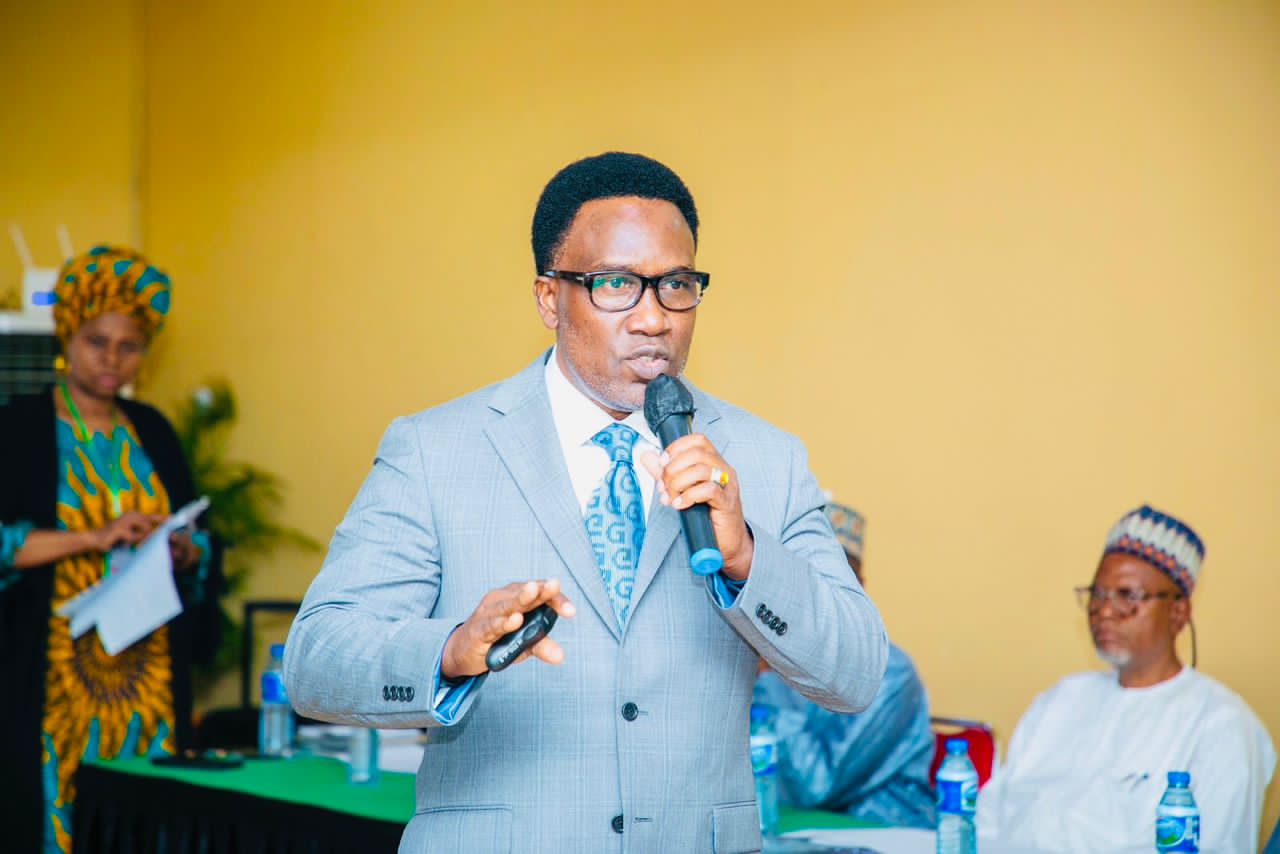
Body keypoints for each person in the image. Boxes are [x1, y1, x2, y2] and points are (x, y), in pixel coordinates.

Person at [284, 152, 888, 853]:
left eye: (677, 285)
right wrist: (449, 649)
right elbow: (316, 661)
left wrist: (748, 558)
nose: (655, 318)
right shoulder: (433, 449)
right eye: (615, 286)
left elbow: (858, 672)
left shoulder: (764, 459)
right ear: (549, 298)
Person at [0, 245, 223, 854]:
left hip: (146, 673)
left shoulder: (152, 429)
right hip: (50, 676)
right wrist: (92, 538)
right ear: (68, 335)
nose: (113, 359)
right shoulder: (17, 427)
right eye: (98, 342)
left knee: (143, 818)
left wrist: (184, 550)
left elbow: (202, 539)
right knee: (53, 813)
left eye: (130, 346)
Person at [977, 504, 1275, 852]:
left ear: (1178, 612)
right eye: (1098, 594)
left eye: (1128, 596)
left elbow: (1221, 845)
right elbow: (987, 823)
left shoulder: (1221, 725)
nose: (1104, 611)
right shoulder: (1060, 700)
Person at [754, 501, 935, 828]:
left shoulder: (889, 672)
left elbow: (817, 786)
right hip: (791, 834)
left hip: (888, 835)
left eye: (832, 577)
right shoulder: (767, 653)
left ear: (858, 587)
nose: (818, 592)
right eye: (805, 576)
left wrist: (765, 674)